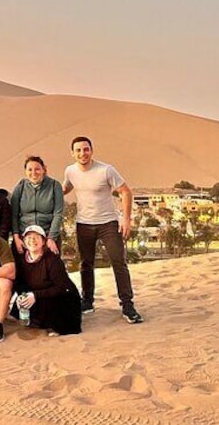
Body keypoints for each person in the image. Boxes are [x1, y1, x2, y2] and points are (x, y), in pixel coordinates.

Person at [63, 136, 143, 324]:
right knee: (86, 263)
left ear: (92, 150)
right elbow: (65, 189)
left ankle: (127, 305)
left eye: (86, 149)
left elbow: (125, 191)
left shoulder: (106, 170)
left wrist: (126, 219)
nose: (82, 153)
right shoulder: (70, 171)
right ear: (72, 153)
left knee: (118, 262)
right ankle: (87, 301)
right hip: (84, 224)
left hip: (108, 223)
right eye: (78, 150)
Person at [13, 226, 82, 336]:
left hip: (59, 295)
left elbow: (62, 287)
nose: (32, 240)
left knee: (60, 309)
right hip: (37, 294)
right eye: (28, 237)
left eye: (36, 237)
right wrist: (21, 296)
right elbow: (19, 283)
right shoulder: (20, 260)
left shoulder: (53, 260)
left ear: (43, 241)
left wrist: (36, 295)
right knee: (21, 310)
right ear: (24, 241)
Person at [11, 156, 64, 255]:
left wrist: (51, 238)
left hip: (47, 234)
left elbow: (58, 214)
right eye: (30, 170)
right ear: (25, 172)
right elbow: (14, 214)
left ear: (44, 170)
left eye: (37, 169)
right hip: (25, 235)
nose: (33, 173)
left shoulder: (54, 185)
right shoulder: (20, 187)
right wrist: (16, 237)